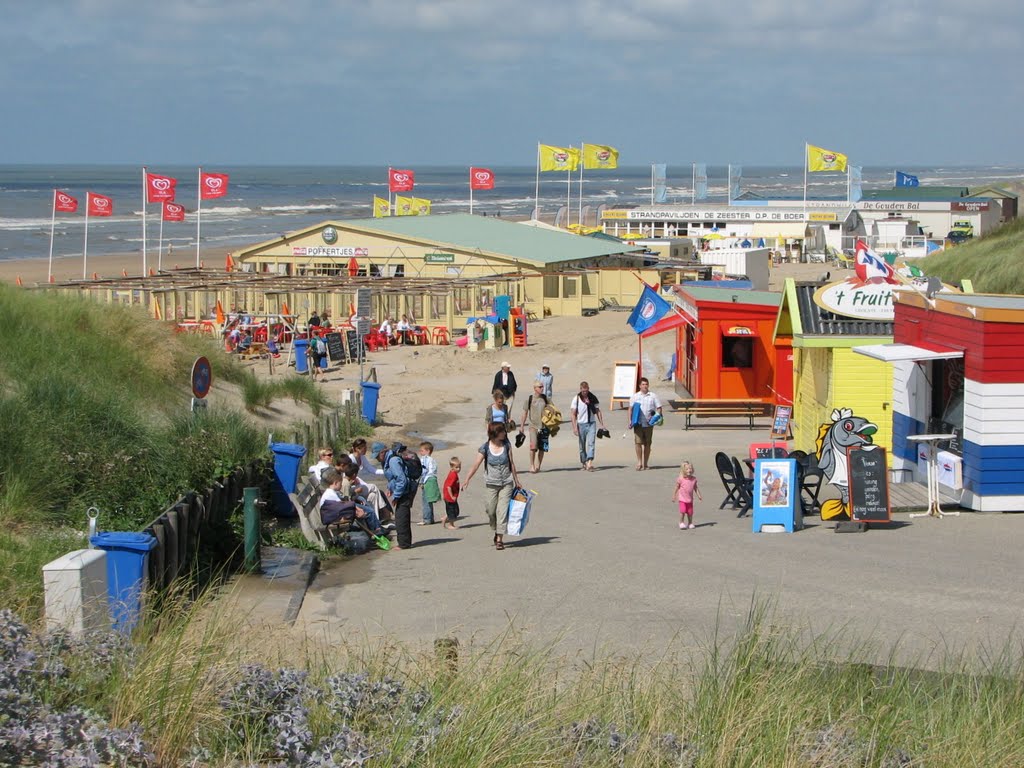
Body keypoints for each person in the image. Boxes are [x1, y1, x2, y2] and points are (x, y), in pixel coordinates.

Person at [463, 422, 521, 551]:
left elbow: (512, 463)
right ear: (495, 433)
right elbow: (476, 465)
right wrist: (467, 479)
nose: (505, 433)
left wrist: (516, 481)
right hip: (491, 485)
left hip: (506, 483)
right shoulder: (485, 448)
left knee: (502, 511)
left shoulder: (507, 445)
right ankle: (496, 530)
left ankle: (499, 539)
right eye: (502, 431)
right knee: (491, 510)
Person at [374, 441, 417, 550]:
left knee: (401, 517)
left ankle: (404, 544)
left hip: (405, 491)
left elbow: (401, 479)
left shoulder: (393, 460)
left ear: (383, 452)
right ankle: (405, 542)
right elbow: (393, 478)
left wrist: (396, 495)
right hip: (403, 490)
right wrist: (390, 487)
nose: (377, 459)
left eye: (377, 456)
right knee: (402, 515)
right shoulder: (388, 460)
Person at [319, 471, 385, 537]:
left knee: (364, 509)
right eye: (340, 484)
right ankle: (376, 531)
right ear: (335, 483)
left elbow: (342, 504)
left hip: (336, 513)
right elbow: (341, 506)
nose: (341, 485)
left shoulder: (332, 492)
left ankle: (375, 530)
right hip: (335, 515)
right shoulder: (331, 494)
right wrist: (356, 508)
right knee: (369, 512)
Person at [570, 381, 606, 472]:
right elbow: (573, 414)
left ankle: (589, 462)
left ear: (588, 389)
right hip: (581, 424)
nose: (585, 393)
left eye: (586, 391)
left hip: (591, 423)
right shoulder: (576, 399)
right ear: (580, 390)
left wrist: (602, 424)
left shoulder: (593, 398)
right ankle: (584, 462)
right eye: (583, 391)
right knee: (582, 446)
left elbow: (597, 411)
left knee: (591, 443)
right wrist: (574, 427)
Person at [629, 377, 663, 471]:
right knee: (638, 443)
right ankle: (639, 462)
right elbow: (630, 409)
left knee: (648, 444)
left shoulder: (653, 396)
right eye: (643, 384)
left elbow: (659, 408)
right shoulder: (635, 396)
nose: (645, 386)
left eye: (646, 384)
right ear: (639, 386)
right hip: (638, 423)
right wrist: (630, 421)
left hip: (649, 424)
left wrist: (655, 418)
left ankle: (646, 463)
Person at [519, 381, 550, 473]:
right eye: (540, 387)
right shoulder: (529, 399)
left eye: (542, 387)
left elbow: (553, 409)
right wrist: (522, 426)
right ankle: (531, 465)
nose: (542, 388)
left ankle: (538, 466)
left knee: (542, 448)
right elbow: (524, 413)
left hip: (544, 426)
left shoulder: (546, 398)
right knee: (533, 446)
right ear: (535, 388)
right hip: (533, 426)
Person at [673, 461, 703, 530]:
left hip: (690, 499)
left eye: (690, 468)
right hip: (682, 499)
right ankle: (681, 522)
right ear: (683, 470)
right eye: (687, 469)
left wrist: (699, 495)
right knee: (683, 511)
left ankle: (690, 523)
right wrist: (674, 496)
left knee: (690, 512)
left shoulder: (694, 479)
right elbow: (677, 487)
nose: (689, 470)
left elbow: (695, 488)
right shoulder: (681, 479)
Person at [417, 441, 441, 526]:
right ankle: (430, 518)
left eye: (422, 450)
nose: (420, 452)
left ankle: (427, 519)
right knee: (429, 500)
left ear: (428, 451)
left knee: (426, 500)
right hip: (431, 479)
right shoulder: (432, 460)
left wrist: (422, 481)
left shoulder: (425, 459)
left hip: (427, 480)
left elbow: (424, 471)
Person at [442, 457, 461, 530]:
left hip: (452, 496)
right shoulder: (453, 475)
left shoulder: (454, 473)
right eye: (456, 467)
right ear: (452, 467)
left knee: (455, 511)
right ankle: (450, 524)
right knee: (452, 511)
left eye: (459, 467)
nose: (458, 469)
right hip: (449, 496)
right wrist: (452, 496)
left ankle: (446, 517)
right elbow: (448, 487)